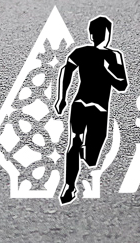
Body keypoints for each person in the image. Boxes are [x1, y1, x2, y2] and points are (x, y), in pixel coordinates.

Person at [52, 16, 129, 205]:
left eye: (104, 32)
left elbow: (122, 85)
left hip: (99, 110)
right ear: (92, 34)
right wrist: (61, 97)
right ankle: (69, 185)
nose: (101, 36)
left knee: (91, 157)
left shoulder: (114, 56)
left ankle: (83, 154)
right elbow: (66, 71)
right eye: (98, 33)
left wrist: (105, 71)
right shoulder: (82, 52)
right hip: (82, 104)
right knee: (75, 141)